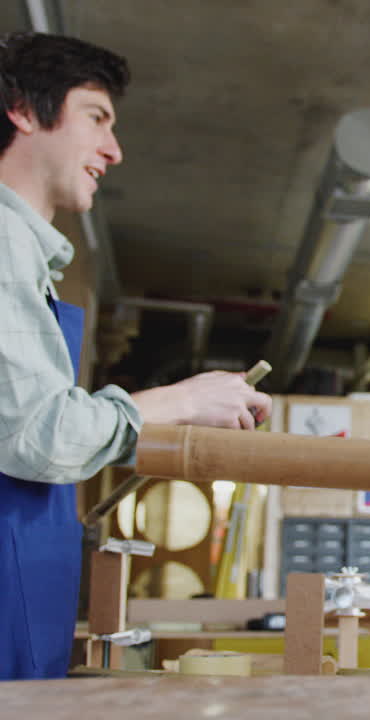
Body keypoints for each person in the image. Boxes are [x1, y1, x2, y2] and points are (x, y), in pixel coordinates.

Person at [0, 32, 271, 681]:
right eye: (96, 117)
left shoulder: (27, 259)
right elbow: (39, 435)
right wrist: (184, 400)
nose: (113, 150)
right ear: (25, 112)